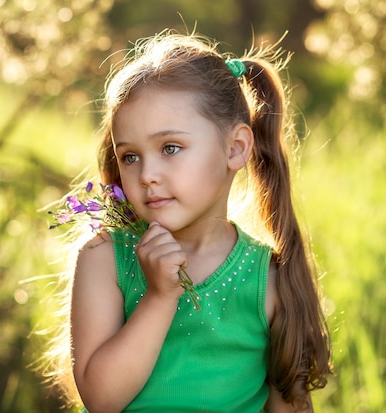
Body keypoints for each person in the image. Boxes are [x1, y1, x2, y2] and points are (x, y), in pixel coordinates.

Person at [47, 30, 332, 413]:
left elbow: (290, 405)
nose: (147, 174)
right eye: (130, 156)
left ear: (235, 148)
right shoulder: (104, 258)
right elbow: (102, 400)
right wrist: (159, 298)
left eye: (170, 148)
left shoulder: (269, 278)